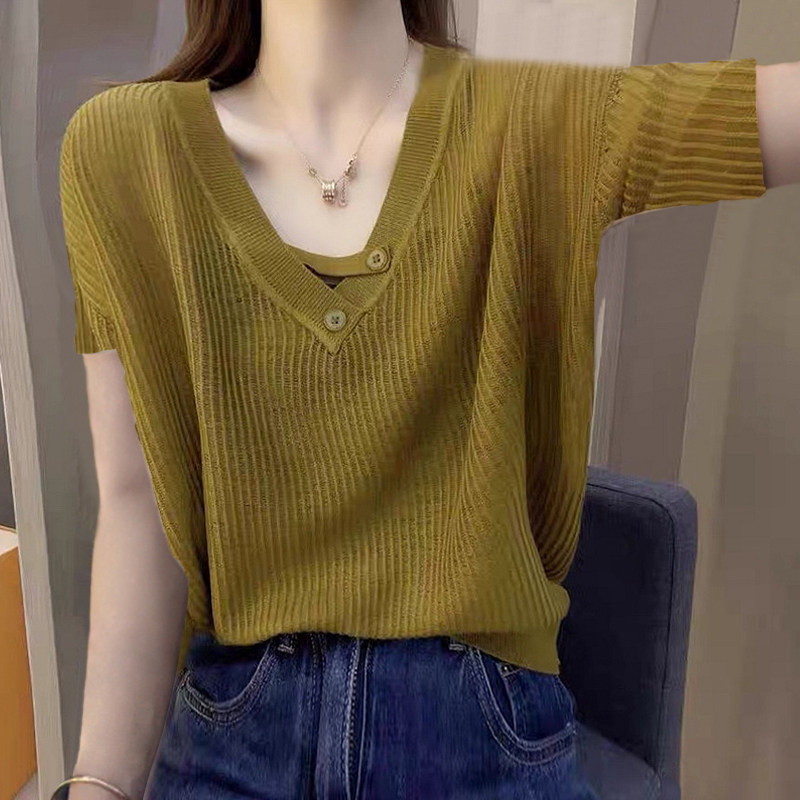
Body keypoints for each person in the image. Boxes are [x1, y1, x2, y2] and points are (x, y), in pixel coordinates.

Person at [54, 0, 775, 797]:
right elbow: (139, 499)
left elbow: (759, 117)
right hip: (235, 729)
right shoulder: (122, 152)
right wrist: (99, 781)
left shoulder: (533, 121)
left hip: (484, 731)